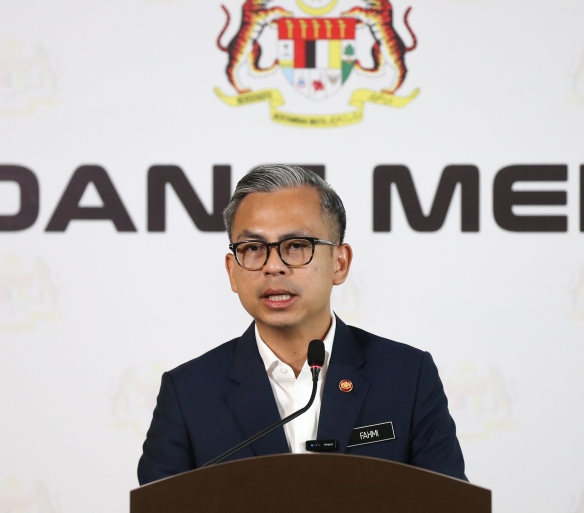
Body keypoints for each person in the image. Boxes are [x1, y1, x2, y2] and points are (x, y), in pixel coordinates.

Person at [137, 164, 465, 484]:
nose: (273, 266)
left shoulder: (407, 376)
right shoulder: (190, 393)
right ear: (232, 270)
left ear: (340, 262)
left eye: (296, 247)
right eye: (253, 249)